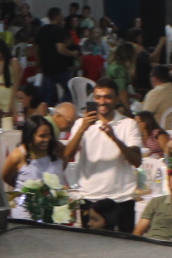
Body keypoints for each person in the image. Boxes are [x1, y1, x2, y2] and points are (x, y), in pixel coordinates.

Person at [61, 83, 143, 231]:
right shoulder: (81, 124)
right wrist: (82, 128)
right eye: (98, 97)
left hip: (121, 198)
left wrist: (115, 138)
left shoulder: (129, 124)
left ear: (116, 98)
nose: (102, 101)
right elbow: (67, 155)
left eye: (107, 97)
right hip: (90, 196)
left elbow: (137, 161)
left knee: (124, 244)